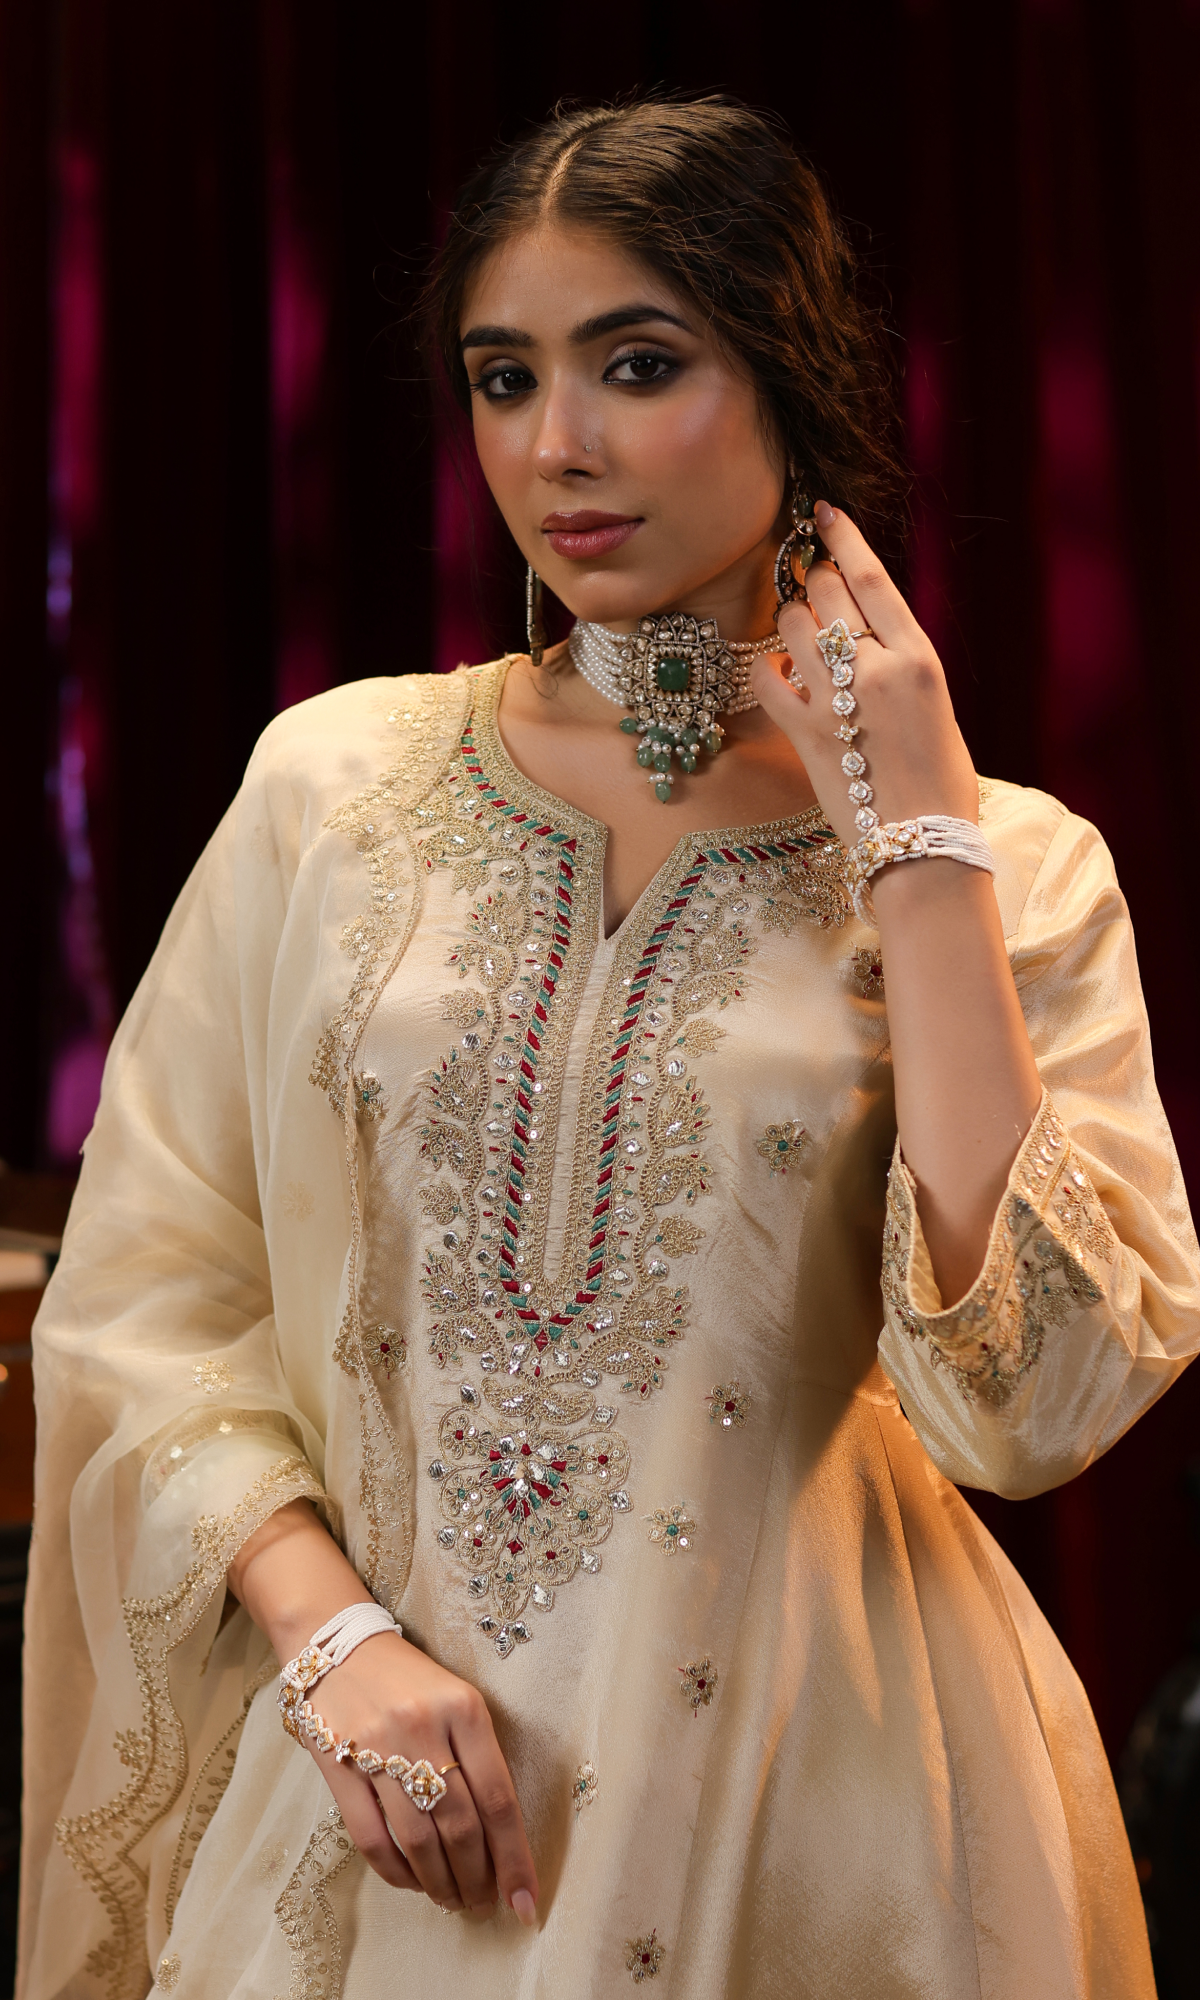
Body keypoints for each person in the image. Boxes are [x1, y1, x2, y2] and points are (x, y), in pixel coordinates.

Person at [19, 95, 1200, 2000]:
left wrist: (915, 843)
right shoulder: (336, 787)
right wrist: (331, 1644)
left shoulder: (1020, 864)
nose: (555, 445)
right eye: (506, 378)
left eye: (638, 366)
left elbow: (1037, 1406)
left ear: (790, 378)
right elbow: (152, 1298)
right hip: (380, 1806)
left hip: (837, 1819)